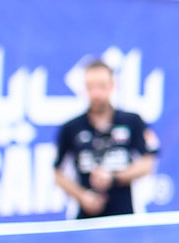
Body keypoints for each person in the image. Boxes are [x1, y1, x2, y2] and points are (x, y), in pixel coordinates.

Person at [53, 57, 159, 218]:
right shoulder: (71, 128)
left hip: (124, 216)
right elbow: (57, 173)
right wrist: (82, 196)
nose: (96, 93)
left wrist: (115, 177)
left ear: (112, 85)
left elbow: (148, 164)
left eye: (102, 86)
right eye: (90, 87)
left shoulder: (132, 122)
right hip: (85, 219)